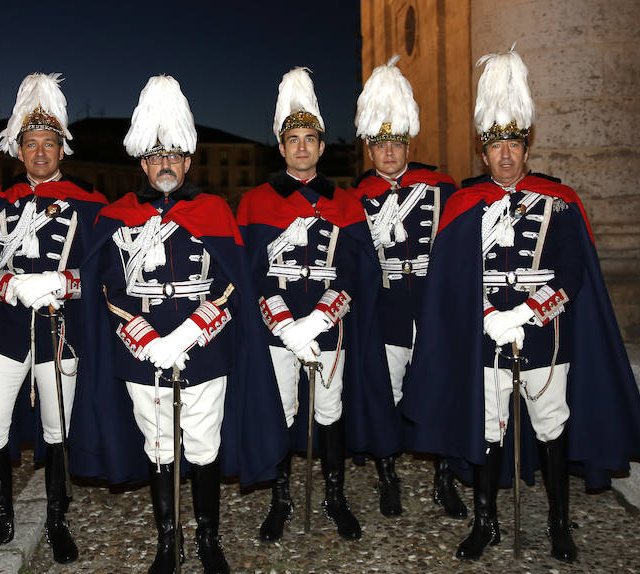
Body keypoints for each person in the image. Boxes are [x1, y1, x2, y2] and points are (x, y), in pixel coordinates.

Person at [402, 47, 640, 563]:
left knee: (551, 425)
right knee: (488, 427)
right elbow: (450, 281)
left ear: (526, 148)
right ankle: (486, 521)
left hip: (544, 334)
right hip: (485, 337)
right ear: (483, 152)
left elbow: (575, 273)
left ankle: (560, 522)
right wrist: (489, 317)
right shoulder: (464, 204)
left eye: (514, 144)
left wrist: (529, 312)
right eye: (497, 148)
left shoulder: (558, 200)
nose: (506, 156)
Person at [82, 74, 285, 574]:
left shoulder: (214, 210)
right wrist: (148, 339)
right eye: (155, 156)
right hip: (142, 354)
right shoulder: (117, 215)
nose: (164, 164)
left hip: (204, 349)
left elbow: (231, 282)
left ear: (188, 161)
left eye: (173, 155)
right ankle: (168, 539)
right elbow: (108, 288)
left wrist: (192, 332)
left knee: (202, 444)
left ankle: (208, 538)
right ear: (143, 162)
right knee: (159, 446)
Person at [237, 67, 399, 543]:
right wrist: (287, 324)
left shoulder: (345, 202)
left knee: (329, 411)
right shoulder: (254, 202)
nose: (303, 147)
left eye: (311, 138)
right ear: (281, 148)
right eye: (294, 139)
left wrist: (322, 317)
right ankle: (281, 497)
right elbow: (253, 274)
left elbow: (355, 271)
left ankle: (334, 495)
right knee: (283, 411)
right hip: (278, 328)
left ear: (323, 147)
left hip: (330, 324)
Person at [0, 73, 107, 565]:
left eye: (49, 143)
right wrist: (4, 284)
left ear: (61, 150)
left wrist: (60, 284)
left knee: (57, 429)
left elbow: (105, 273)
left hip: (59, 334)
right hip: (2, 333)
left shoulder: (90, 205)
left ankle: (57, 518)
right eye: (31, 143)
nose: (40, 152)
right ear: (18, 149)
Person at [351, 56, 465, 519]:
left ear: (407, 142)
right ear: (370, 150)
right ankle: (387, 475)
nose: (391, 153)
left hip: (432, 309)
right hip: (385, 312)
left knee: (440, 389)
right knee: (385, 395)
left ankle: (443, 477)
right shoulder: (356, 197)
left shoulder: (441, 186)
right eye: (381, 146)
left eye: (397, 143)